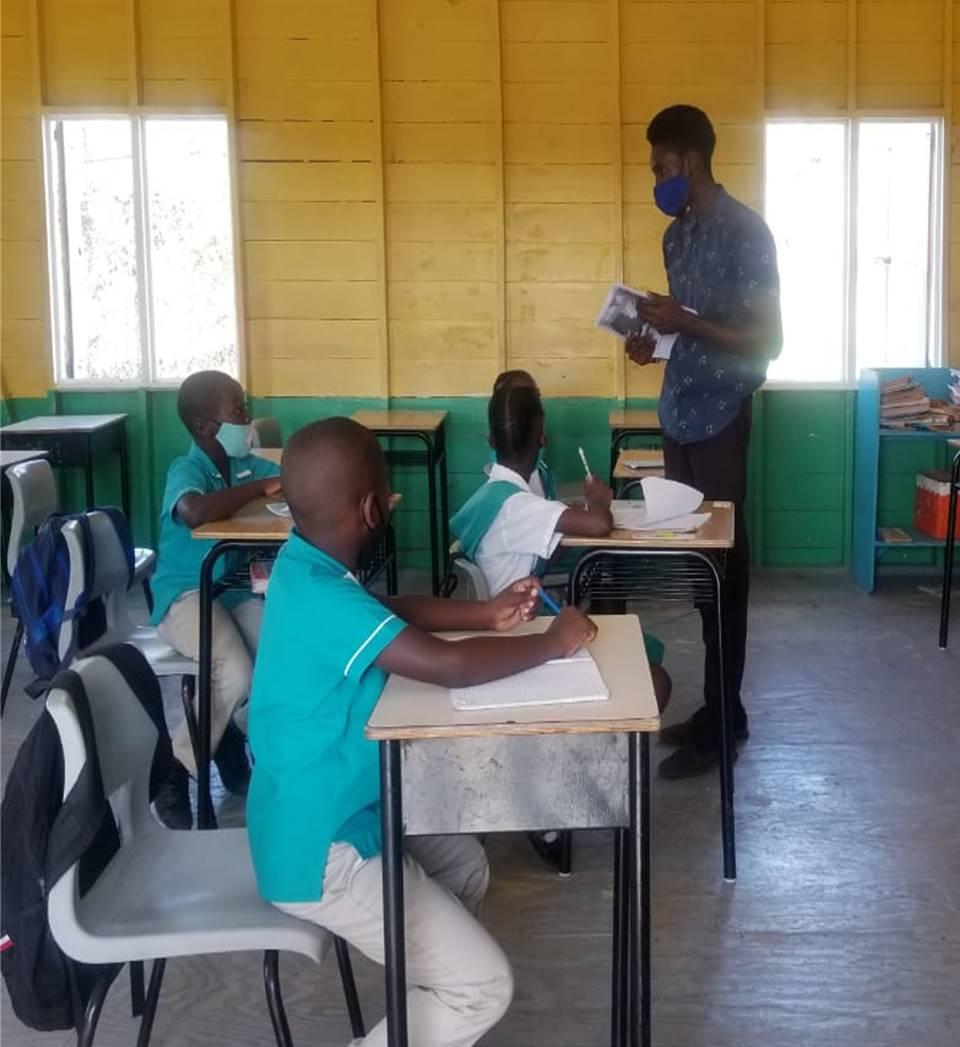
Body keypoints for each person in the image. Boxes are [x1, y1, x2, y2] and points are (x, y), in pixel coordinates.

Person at [246, 417, 596, 1047]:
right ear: (372, 508)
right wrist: (551, 643)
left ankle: (426, 1007)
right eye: (389, 492)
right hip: (321, 851)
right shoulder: (319, 594)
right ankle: (443, 1000)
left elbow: (390, 612)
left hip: (343, 811)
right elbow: (448, 665)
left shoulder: (307, 566)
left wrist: (485, 614)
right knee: (483, 987)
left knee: (464, 866)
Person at [625, 104, 783, 780]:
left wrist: (686, 320)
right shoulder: (677, 238)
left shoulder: (748, 234)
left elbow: (768, 339)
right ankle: (722, 711)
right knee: (696, 572)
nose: (656, 180)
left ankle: (722, 724)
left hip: (721, 417)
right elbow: (686, 328)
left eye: (661, 167)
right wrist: (652, 338)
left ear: (690, 161)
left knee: (724, 572)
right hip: (679, 417)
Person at [454, 381, 673, 711]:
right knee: (656, 681)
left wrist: (568, 516)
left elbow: (539, 545)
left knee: (626, 635)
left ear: (490, 440)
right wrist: (598, 502)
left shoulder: (492, 494)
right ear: (541, 439)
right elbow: (599, 524)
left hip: (514, 621)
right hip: (524, 629)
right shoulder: (515, 505)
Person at [149, 370, 281, 826]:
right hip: (185, 596)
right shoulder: (186, 470)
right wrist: (259, 489)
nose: (247, 419)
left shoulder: (245, 465)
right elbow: (193, 511)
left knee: (282, 657)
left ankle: (226, 735)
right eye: (239, 411)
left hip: (231, 591)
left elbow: (286, 477)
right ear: (206, 426)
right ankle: (176, 769)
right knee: (236, 669)